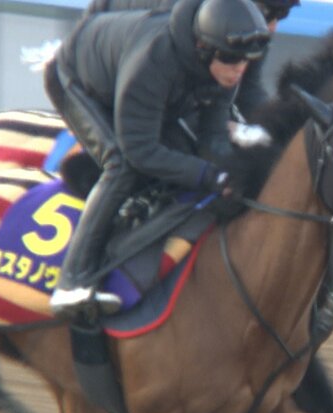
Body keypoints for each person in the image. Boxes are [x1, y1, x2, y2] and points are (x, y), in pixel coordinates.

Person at [44, 0, 271, 318]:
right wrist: (209, 175)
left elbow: (213, 140)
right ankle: (71, 281)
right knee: (121, 165)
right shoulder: (155, 60)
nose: (239, 69)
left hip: (128, 79)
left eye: (246, 61)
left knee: (187, 160)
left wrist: (232, 175)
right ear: (203, 47)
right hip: (75, 79)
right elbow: (140, 151)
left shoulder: (223, 69)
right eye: (231, 59)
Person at [85, 0, 300, 121]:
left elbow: (249, 90)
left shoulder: (248, 26)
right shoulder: (182, 19)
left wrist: (277, 129)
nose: (273, 27)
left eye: (282, 15)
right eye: (269, 13)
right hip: (104, 67)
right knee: (126, 165)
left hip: (145, 66)